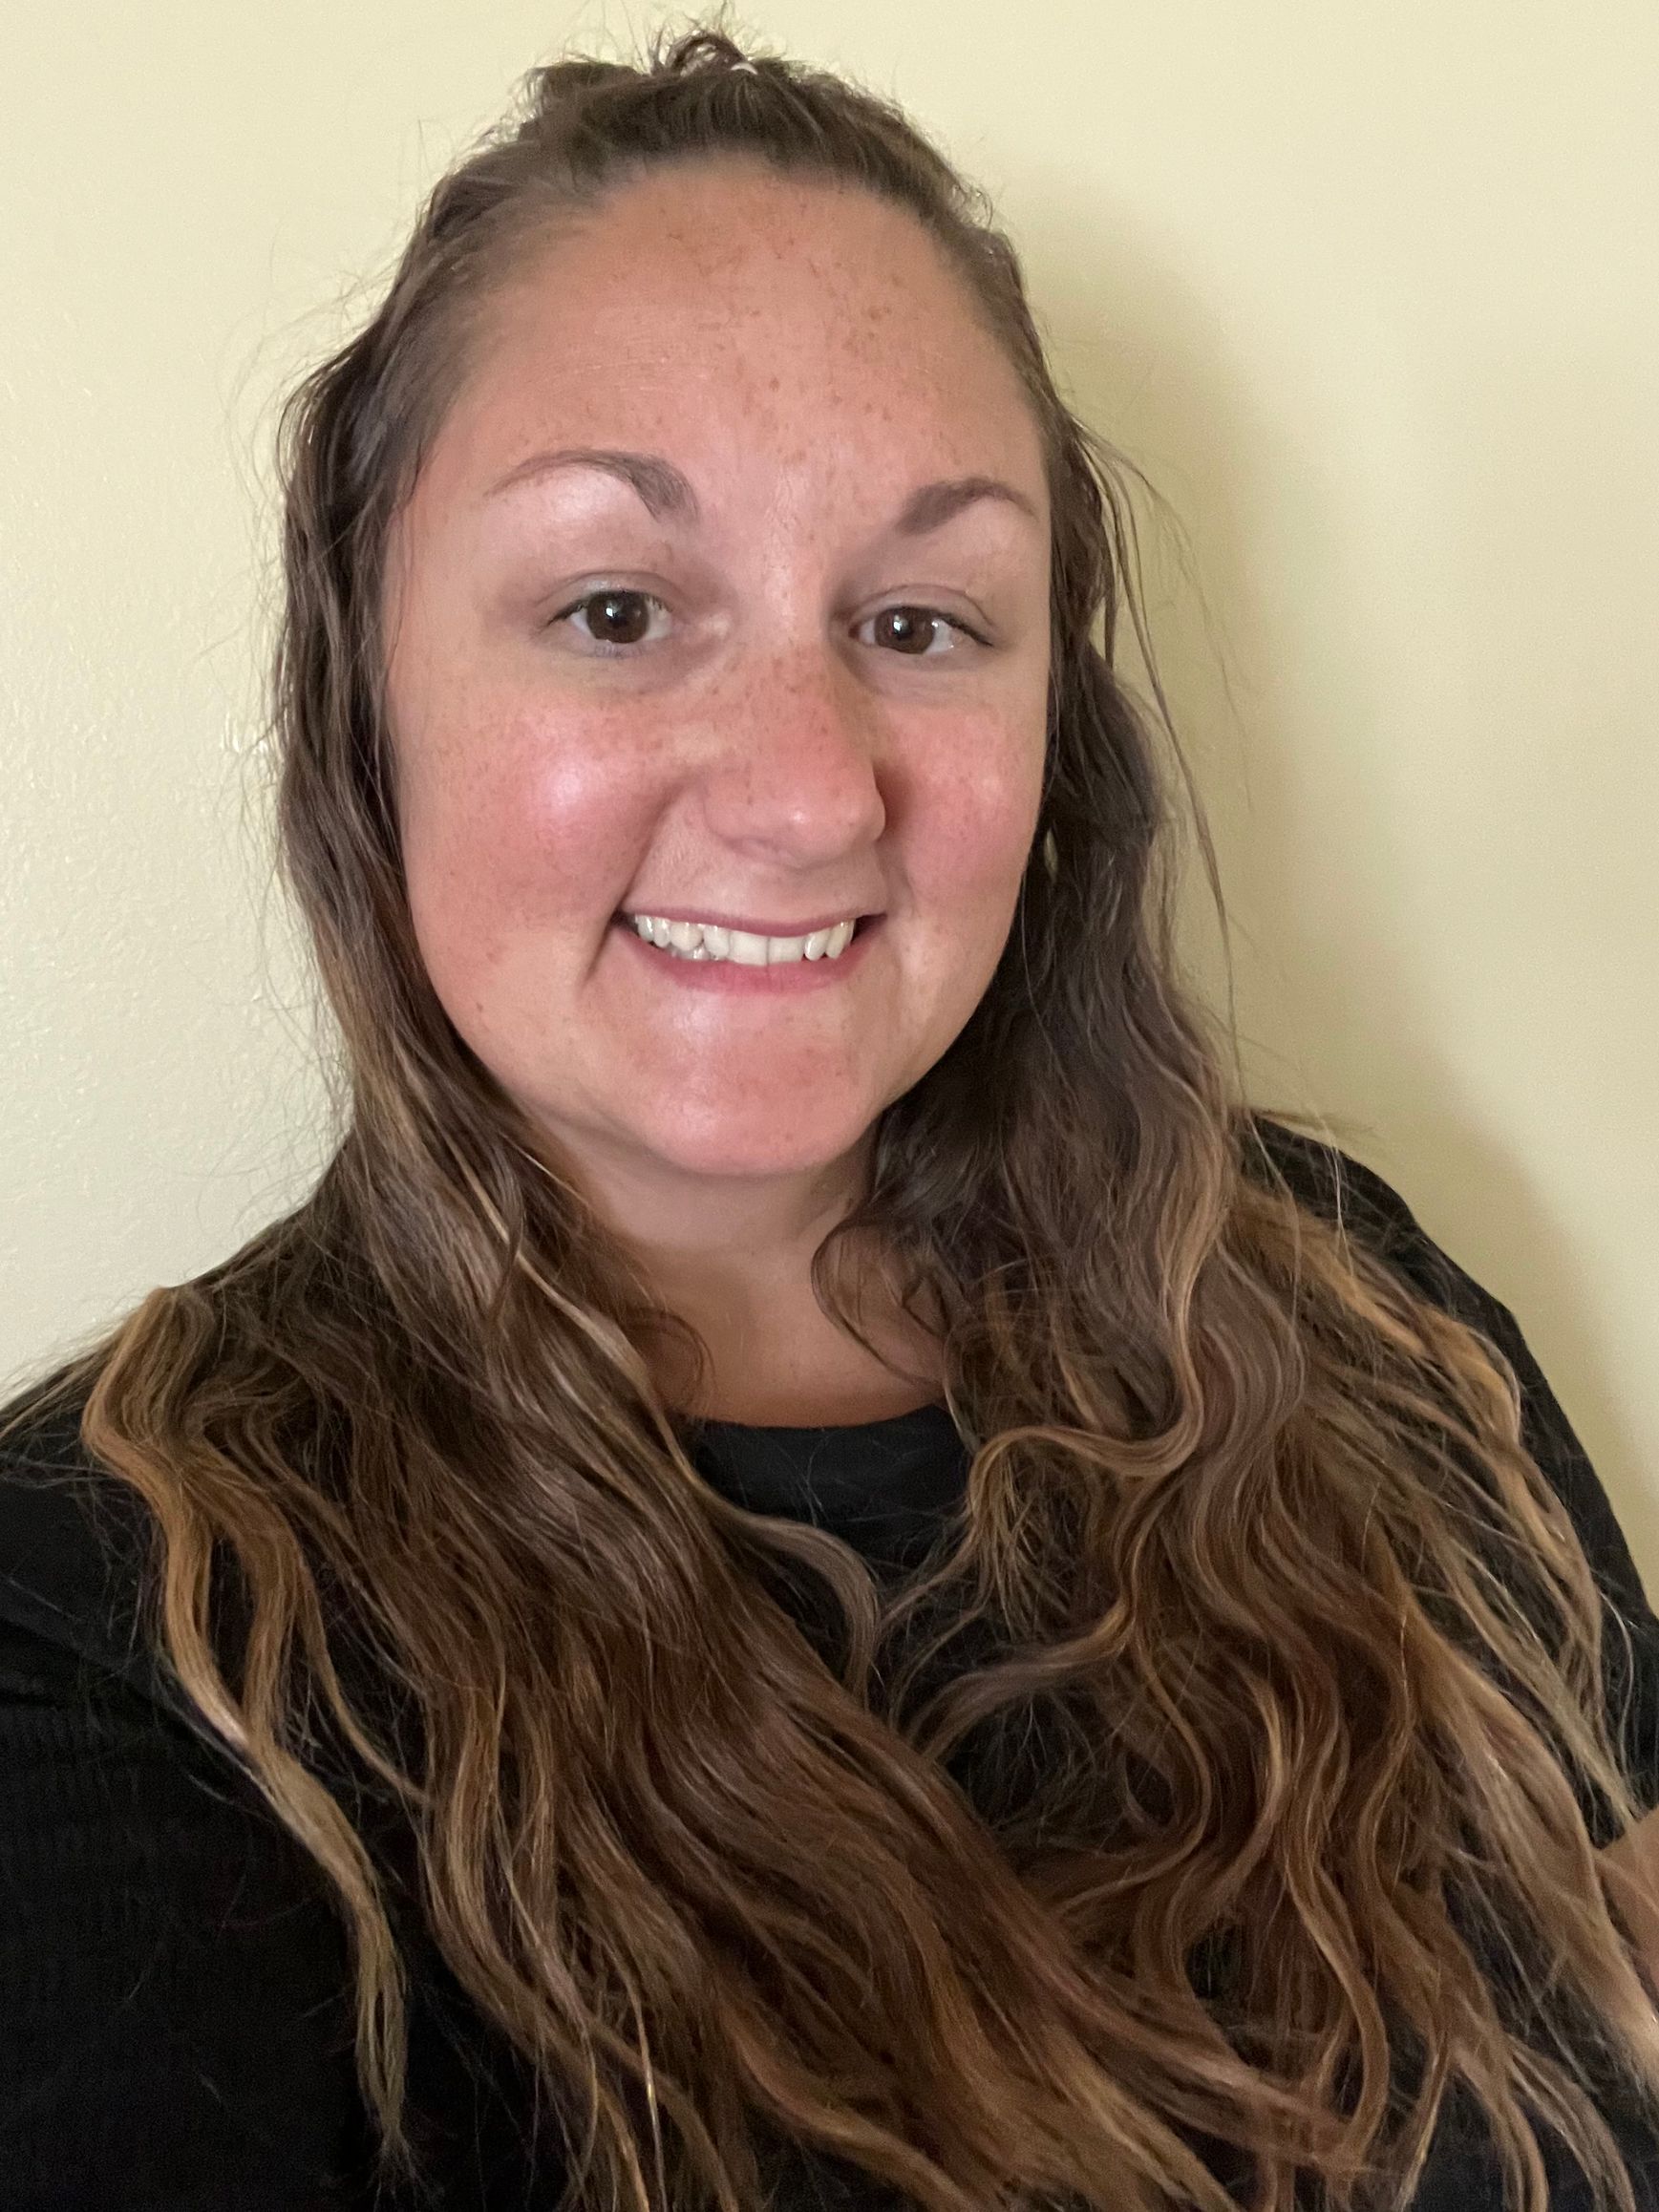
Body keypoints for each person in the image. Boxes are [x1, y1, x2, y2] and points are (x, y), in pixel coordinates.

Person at [2, 22, 1657, 2212]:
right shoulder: (107, 1641)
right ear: (365, 690)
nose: (805, 789)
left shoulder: (1341, 1305)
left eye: (917, 618)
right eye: (613, 609)